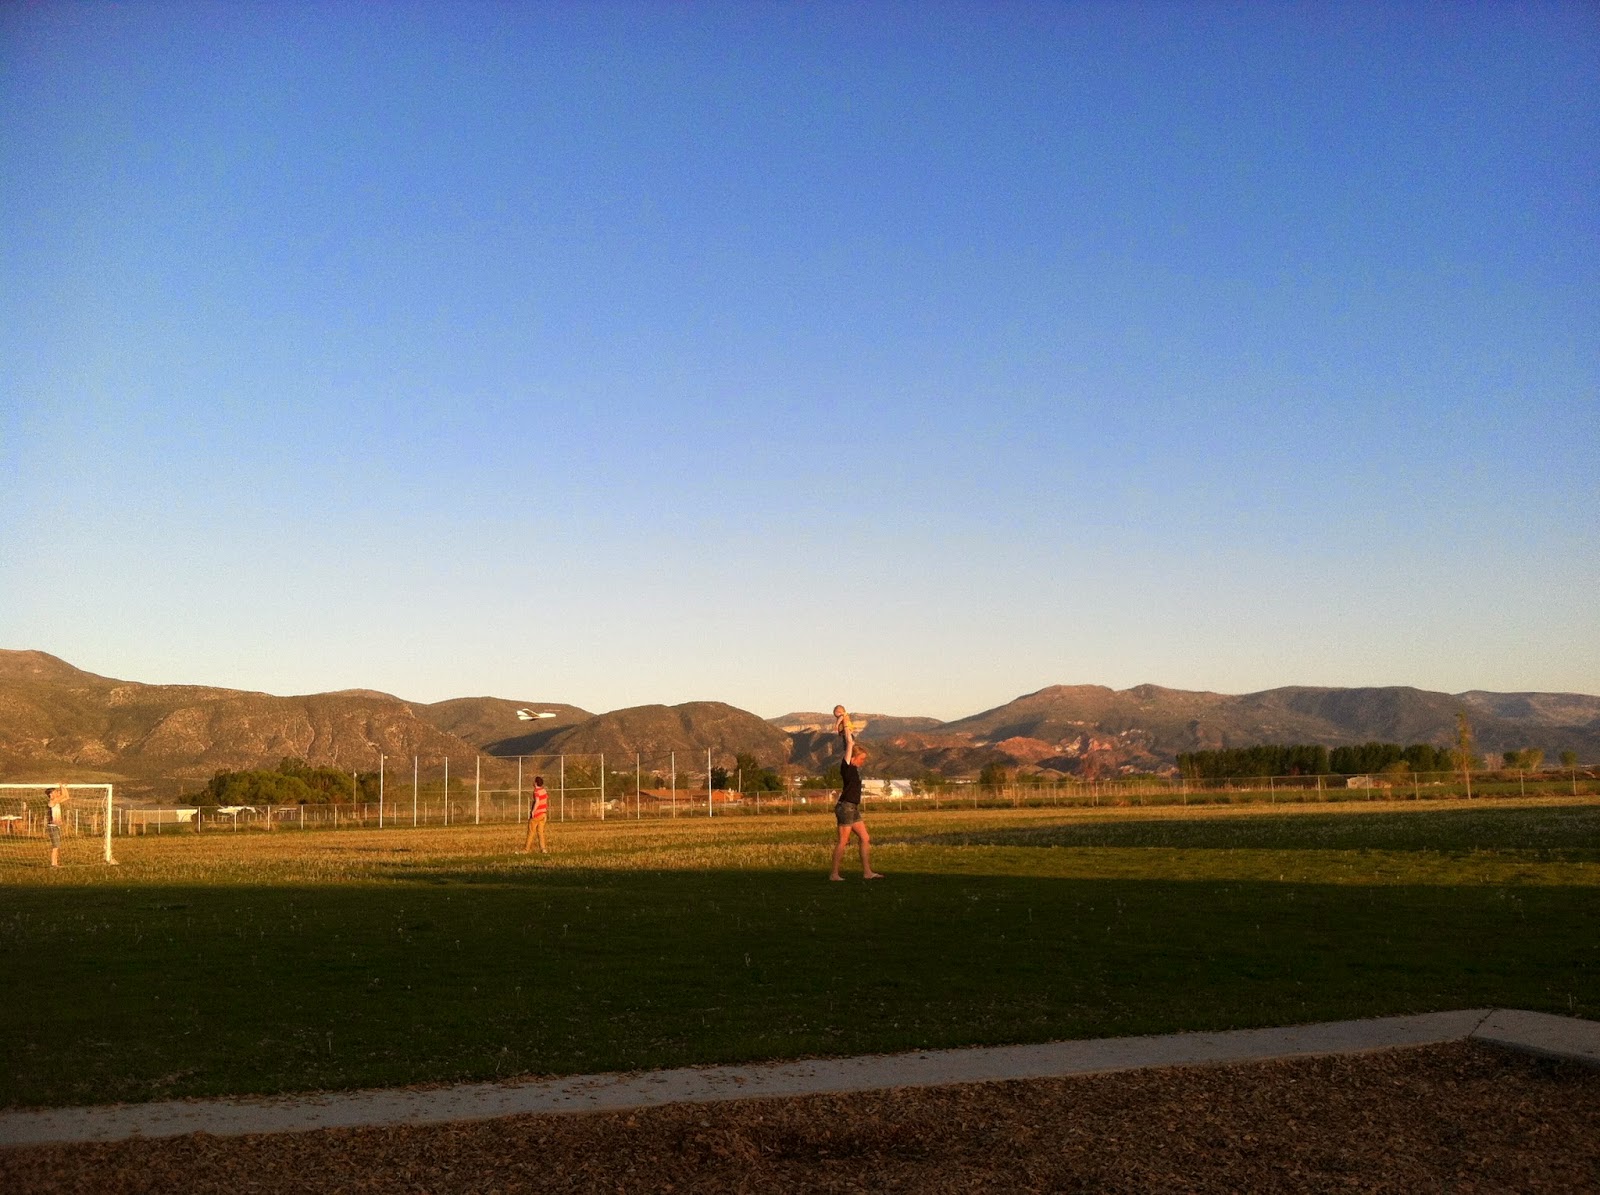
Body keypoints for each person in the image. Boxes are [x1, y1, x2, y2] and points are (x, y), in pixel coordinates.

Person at [830, 744, 882, 881]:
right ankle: (834, 874)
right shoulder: (846, 768)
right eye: (861, 758)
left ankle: (867, 873)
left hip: (853, 808)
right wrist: (848, 735)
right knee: (843, 841)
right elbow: (849, 745)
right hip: (845, 807)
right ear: (853, 758)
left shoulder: (854, 770)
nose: (862, 762)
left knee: (865, 837)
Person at [522, 776, 550, 854]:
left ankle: (526, 849)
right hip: (544, 814)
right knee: (540, 832)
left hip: (537, 814)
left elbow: (537, 801)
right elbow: (545, 799)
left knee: (531, 832)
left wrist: (533, 811)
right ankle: (543, 849)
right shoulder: (544, 790)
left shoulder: (536, 791)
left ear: (536, 783)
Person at [46, 782, 67, 868]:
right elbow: (63, 795)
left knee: (57, 846)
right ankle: (53, 864)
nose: (57, 793)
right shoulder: (52, 802)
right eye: (55, 792)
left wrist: (64, 788)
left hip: (56, 827)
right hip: (52, 827)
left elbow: (67, 796)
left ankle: (55, 863)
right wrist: (61, 786)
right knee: (55, 846)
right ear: (51, 794)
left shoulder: (56, 802)